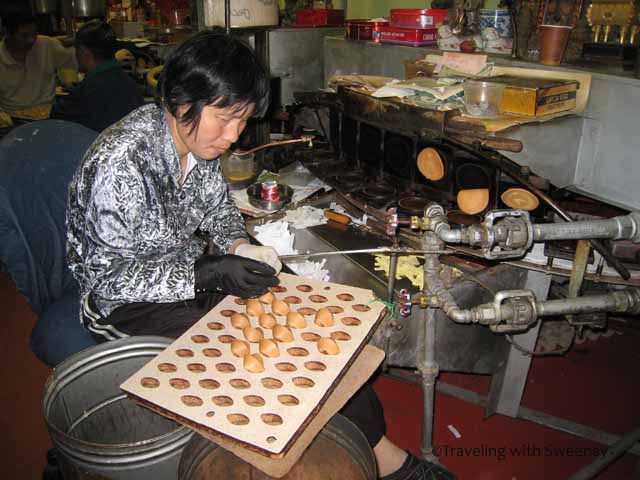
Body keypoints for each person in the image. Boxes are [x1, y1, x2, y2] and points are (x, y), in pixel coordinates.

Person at [66, 31, 456, 480]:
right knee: (250, 359)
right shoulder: (120, 162)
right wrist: (203, 272)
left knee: (301, 323)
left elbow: (218, 210)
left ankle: (381, 454)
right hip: (125, 305)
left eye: (243, 120)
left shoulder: (197, 143)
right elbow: (108, 280)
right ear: (181, 101)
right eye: (225, 119)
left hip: (190, 274)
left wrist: (238, 245)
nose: (233, 136)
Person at [50, 20, 144, 133]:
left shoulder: (85, 93)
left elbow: (56, 120)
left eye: (76, 49)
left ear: (84, 52)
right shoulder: (130, 85)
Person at [0, 7, 76, 120]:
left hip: (50, 114)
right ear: (7, 33)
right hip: (13, 117)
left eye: (34, 34)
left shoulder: (47, 45)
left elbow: (75, 60)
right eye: (24, 36)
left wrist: (69, 81)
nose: (31, 40)